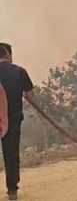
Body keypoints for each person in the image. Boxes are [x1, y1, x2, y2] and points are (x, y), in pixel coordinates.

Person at [0, 43, 34, 200]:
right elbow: (29, 96)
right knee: (11, 154)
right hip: (13, 119)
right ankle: (12, 191)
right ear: (9, 55)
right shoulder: (20, 71)